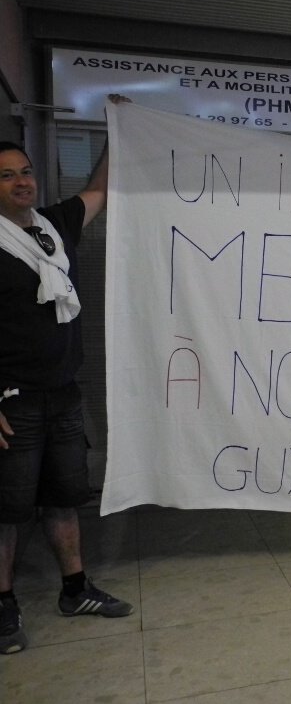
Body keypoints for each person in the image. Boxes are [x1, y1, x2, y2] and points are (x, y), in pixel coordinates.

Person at [0, 95, 133, 656]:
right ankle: (3, 608)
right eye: (6, 177)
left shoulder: (53, 227)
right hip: (12, 401)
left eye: (25, 171)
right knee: (6, 509)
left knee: (63, 497)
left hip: (62, 394)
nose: (21, 182)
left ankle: (74, 590)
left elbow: (99, 192)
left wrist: (119, 131)